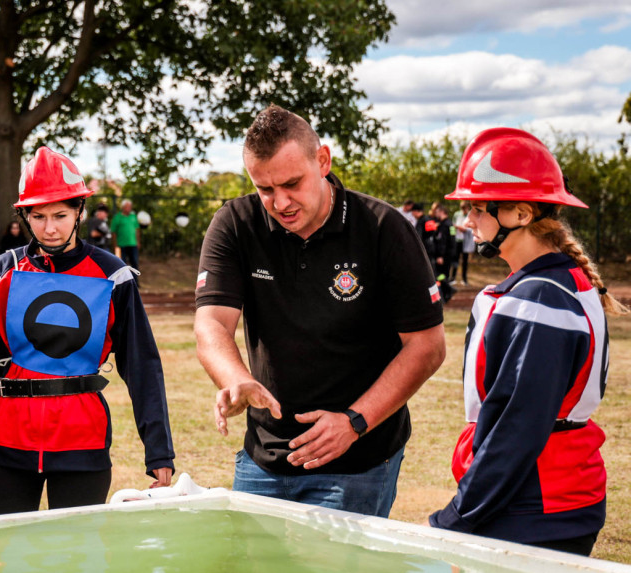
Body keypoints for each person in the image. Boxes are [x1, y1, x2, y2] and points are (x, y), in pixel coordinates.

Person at [194, 105, 445, 517]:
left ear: (323, 160)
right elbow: (212, 324)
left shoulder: (383, 228)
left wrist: (353, 422)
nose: (280, 202)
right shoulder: (235, 223)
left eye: (292, 183)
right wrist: (235, 379)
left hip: (359, 462)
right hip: (263, 459)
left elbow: (427, 346)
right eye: (265, 189)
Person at [429, 128, 627, 556]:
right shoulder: (556, 283)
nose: (468, 222)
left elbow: (517, 427)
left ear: (520, 214)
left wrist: (456, 518)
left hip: (533, 502)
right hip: (544, 496)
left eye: (477, 209)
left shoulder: (541, 296)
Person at [0, 146, 175, 515]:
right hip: (8, 441)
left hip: (81, 440)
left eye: (60, 215)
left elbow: (141, 365)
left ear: (80, 212)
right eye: (37, 216)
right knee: (5, 561)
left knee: (77, 564)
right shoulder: (3, 270)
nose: (49, 228)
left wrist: (159, 450)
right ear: (25, 215)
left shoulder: (112, 274)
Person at [111, 198, 140, 270]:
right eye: (127, 206)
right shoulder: (117, 217)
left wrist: (138, 242)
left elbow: (137, 230)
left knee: (134, 264)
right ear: (123, 207)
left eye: (130, 206)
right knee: (122, 265)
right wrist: (115, 245)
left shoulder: (133, 216)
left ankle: (135, 280)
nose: (129, 208)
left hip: (133, 244)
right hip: (121, 245)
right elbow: (113, 232)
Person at [454, 200, 475, 285]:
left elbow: (472, 227)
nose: (463, 211)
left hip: (466, 241)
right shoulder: (457, 214)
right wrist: (453, 234)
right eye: (462, 209)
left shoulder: (470, 215)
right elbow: (453, 226)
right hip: (457, 240)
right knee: (455, 259)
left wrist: (465, 230)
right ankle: (452, 278)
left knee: (465, 261)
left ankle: (464, 279)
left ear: (467, 208)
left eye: (465, 209)